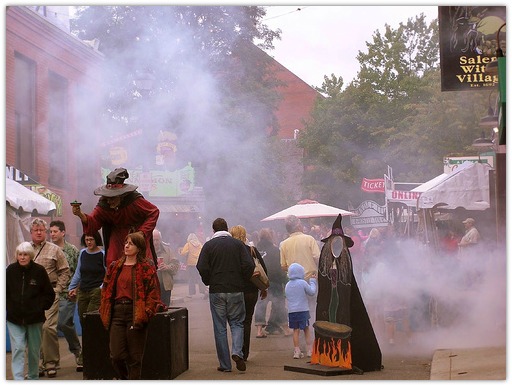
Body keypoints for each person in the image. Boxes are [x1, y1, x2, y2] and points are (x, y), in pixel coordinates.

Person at [98, 232, 161, 380]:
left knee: (135, 357)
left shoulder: (146, 267)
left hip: (136, 311)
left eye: (131, 243)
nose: (126, 245)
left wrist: (146, 312)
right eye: (126, 242)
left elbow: (154, 294)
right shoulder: (115, 266)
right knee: (116, 355)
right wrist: (105, 308)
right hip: (117, 312)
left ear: (139, 248)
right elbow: (106, 289)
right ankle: (124, 379)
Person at [196, 218, 255, 373]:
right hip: (236, 289)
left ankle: (225, 364)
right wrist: (242, 279)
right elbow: (249, 264)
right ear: (227, 229)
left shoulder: (209, 246)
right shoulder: (238, 245)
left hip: (217, 291)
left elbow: (201, 266)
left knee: (220, 327)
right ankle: (237, 352)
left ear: (213, 230)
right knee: (237, 323)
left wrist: (208, 280)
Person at [71, 167, 160, 268]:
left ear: (121, 195)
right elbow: (94, 221)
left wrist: (142, 233)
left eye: (112, 197)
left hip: (136, 237)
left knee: (142, 264)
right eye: (107, 197)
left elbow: (153, 212)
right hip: (117, 237)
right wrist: (80, 214)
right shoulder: (103, 204)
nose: (109, 201)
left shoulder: (134, 200)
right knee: (112, 261)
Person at [6, 242, 56, 380]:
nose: (22, 257)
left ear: (31, 256)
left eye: (25, 255)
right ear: (17, 256)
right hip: (14, 319)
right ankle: (18, 379)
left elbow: (49, 294)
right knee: (18, 348)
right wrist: (9, 307)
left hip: (34, 319)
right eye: (20, 254)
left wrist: (40, 307)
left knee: (34, 351)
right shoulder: (10, 271)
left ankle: (33, 377)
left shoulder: (39, 271)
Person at [29, 218, 70, 378]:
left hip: (50, 293)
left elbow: (65, 270)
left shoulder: (55, 250)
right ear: (31, 232)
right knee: (34, 329)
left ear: (45, 232)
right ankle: (37, 364)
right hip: (31, 296)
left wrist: (58, 289)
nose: (39, 232)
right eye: (36, 230)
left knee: (48, 328)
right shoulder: (25, 249)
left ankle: (51, 363)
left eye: (41, 230)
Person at [229, 225, 268, 361]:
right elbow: (263, 270)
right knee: (247, 320)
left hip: (235, 290)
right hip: (251, 291)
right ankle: (244, 353)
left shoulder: (230, 252)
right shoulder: (252, 250)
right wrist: (263, 288)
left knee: (235, 321)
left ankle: (236, 349)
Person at [49, 220, 82, 371]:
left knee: (64, 323)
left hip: (68, 292)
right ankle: (49, 362)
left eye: (55, 231)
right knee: (47, 328)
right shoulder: (47, 250)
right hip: (49, 294)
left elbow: (78, 271)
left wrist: (75, 288)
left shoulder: (72, 250)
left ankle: (77, 351)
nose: (52, 234)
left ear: (63, 232)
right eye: (51, 232)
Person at [279, 215, 320, 320]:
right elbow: (318, 258)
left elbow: (283, 266)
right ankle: (311, 331)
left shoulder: (284, 244)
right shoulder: (309, 239)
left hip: (293, 282)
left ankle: (301, 331)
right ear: (298, 226)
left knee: (298, 308)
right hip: (311, 279)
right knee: (313, 308)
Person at [254, 228, 290, 337]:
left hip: (260, 282)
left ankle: (259, 331)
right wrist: (284, 280)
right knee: (279, 304)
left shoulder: (254, 251)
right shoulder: (275, 250)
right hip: (274, 281)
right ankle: (286, 329)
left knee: (261, 305)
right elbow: (279, 268)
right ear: (270, 237)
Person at [68, 232, 106, 332]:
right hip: (83, 290)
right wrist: (72, 288)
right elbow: (78, 272)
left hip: (96, 290)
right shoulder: (83, 253)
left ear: (96, 240)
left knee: (91, 318)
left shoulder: (102, 255)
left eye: (91, 239)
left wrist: (101, 288)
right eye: (87, 240)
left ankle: (95, 344)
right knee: (82, 319)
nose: (89, 242)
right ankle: (87, 344)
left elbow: (108, 274)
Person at [285, 263, 317, 359]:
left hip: (292, 311)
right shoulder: (302, 283)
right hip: (303, 310)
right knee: (306, 329)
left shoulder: (288, 285)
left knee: (296, 330)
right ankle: (309, 350)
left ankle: (296, 351)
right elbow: (312, 292)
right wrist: (313, 281)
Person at [153, 229, 181, 306]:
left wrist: (167, 267)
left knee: (166, 309)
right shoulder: (147, 251)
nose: (155, 242)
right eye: (154, 240)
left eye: (157, 240)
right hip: (152, 288)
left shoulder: (168, 250)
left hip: (165, 286)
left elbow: (176, 265)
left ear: (160, 240)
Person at [179, 233, 207, 298]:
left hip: (191, 264)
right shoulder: (199, 244)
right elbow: (203, 252)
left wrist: (182, 252)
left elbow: (183, 253)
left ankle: (191, 294)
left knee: (191, 278)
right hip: (199, 263)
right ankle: (203, 292)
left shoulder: (188, 244)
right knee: (199, 278)